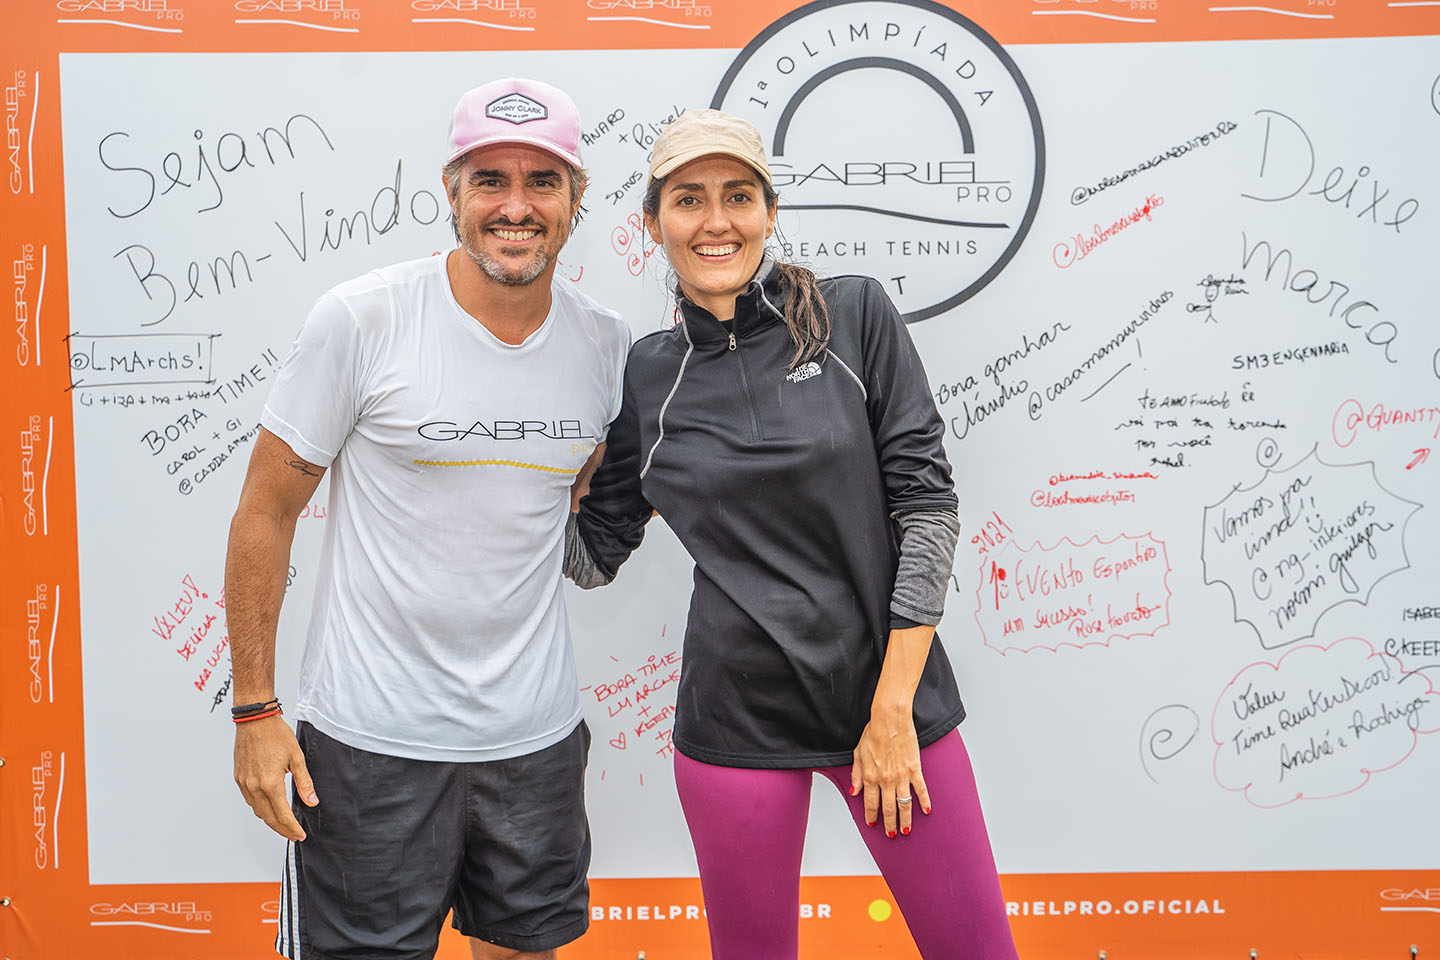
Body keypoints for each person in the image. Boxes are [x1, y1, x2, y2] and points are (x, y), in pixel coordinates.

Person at [566, 109, 1018, 959]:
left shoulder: (853, 316)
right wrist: (523, 462)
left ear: (769, 212)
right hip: (736, 725)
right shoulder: (647, 377)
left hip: (889, 707)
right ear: (654, 223)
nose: (716, 221)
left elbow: (926, 505)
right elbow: (591, 556)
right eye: (688, 200)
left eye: (738, 197)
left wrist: (891, 711)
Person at [225, 77, 630, 960]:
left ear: (576, 198)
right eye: (489, 180)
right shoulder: (361, 319)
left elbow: (575, 501)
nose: (515, 206)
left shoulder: (606, 345)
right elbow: (265, 510)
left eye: (542, 181)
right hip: (369, 750)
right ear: (450, 191)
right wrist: (255, 708)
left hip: (535, 746)